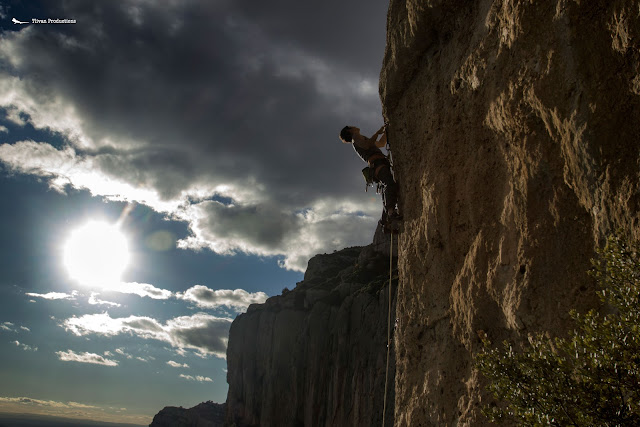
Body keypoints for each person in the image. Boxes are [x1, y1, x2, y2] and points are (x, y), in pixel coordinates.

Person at [339, 124, 401, 228]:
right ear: (349, 131)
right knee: (389, 184)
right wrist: (377, 132)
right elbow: (367, 145)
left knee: (388, 186)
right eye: (351, 126)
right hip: (377, 163)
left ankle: (384, 220)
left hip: (378, 163)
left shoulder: (360, 139)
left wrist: (385, 131)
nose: (355, 126)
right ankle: (390, 213)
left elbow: (380, 144)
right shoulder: (355, 138)